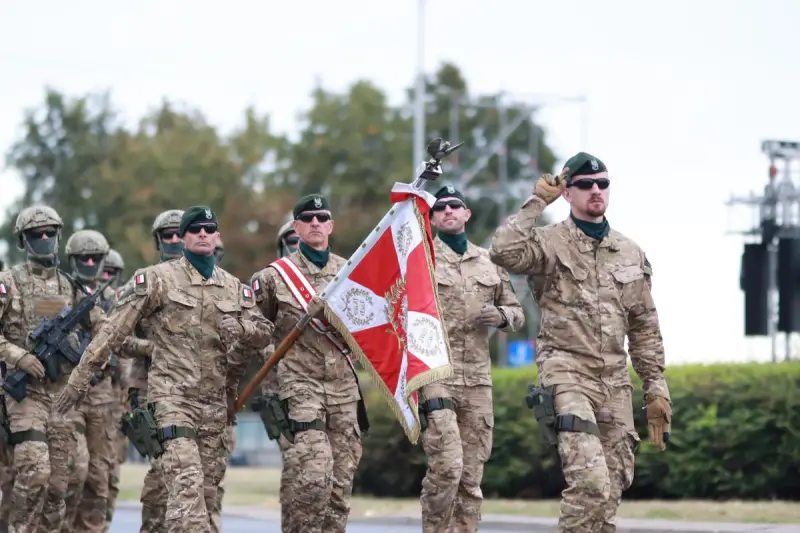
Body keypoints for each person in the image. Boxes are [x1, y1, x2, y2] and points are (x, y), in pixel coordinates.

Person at [54, 206, 273, 533]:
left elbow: (264, 332)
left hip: (214, 409)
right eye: (194, 228)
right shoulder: (156, 279)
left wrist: (242, 330)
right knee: (188, 492)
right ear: (183, 237)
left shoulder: (234, 288)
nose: (202, 233)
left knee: (204, 497)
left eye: (208, 228)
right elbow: (111, 334)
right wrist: (75, 385)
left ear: (216, 237)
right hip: (172, 403)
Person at [488, 153, 672, 533]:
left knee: (612, 486)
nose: (596, 191)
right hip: (567, 372)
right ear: (567, 192)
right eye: (586, 185)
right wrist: (537, 201)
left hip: (614, 380)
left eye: (602, 184)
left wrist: (656, 388)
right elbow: (503, 252)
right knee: (589, 481)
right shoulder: (550, 241)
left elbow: (644, 325)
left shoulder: (629, 251)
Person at [248, 195, 365, 533]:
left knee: (340, 488)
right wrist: (277, 360)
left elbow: (369, 324)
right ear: (295, 227)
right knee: (314, 475)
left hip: (344, 388)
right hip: (301, 386)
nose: (315, 222)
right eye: (307, 218)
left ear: (331, 225)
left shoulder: (350, 272)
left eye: (322, 217)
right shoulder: (274, 277)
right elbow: (252, 328)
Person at [418, 186, 524, 533]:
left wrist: (502, 316)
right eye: (441, 207)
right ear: (432, 218)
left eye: (455, 206)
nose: (448, 211)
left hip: (478, 379)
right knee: (447, 465)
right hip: (437, 374)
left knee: (471, 475)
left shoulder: (490, 262)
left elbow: (518, 312)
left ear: (467, 215)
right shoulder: (421, 259)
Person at [0, 206, 106, 532]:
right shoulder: (8, 282)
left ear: (59, 235)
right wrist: (19, 357)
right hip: (25, 396)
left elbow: (105, 328)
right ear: (23, 240)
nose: (44, 238)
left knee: (63, 484)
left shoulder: (71, 287)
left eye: (49, 232)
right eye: (36, 234)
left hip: (62, 399)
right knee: (34, 472)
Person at [117, 209, 184, 533]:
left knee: (202, 478)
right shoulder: (143, 281)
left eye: (178, 233)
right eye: (166, 235)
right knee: (163, 470)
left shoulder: (213, 280)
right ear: (158, 241)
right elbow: (115, 336)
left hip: (201, 392)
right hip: (154, 389)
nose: (173, 240)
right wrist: (151, 349)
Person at [61, 229, 117, 532]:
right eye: (84, 257)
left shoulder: (115, 298)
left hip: (103, 396)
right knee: (74, 470)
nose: (90, 262)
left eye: (95, 257)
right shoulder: (60, 292)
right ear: (73, 259)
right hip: (68, 394)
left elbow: (122, 340)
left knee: (99, 477)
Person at [249, 217, 299, 528]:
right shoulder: (271, 280)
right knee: (296, 468)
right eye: (291, 240)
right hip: (281, 390)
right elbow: (251, 329)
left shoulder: (333, 276)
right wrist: (272, 353)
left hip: (331, 390)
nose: (297, 245)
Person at [100, 247, 127, 533]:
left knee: (111, 476)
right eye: (103, 271)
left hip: (118, 403)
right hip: (93, 399)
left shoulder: (125, 305)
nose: (106, 277)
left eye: (112, 273)